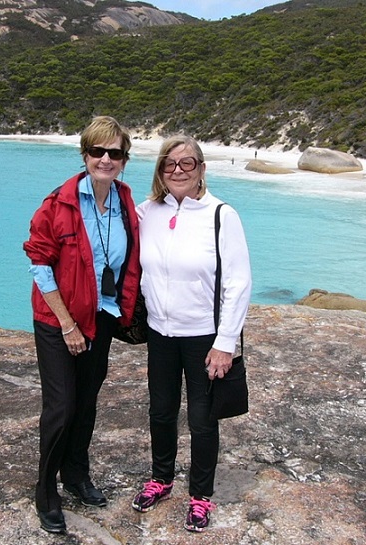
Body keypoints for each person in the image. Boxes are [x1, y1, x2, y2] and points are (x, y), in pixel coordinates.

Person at [23, 116, 141, 534]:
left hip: (102, 316)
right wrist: (68, 325)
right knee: (62, 406)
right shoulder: (58, 203)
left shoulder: (126, 200)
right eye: (97, 151)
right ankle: (46, 490)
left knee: (87, 401)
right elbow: (39, 263)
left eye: (115, 153)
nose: (105, 159)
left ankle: (75, 475)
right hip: (59, 321)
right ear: (84, 154)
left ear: (124, 159)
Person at [132, 135, 251, 532]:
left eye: (188, 163)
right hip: (160, 333)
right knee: (161, 412)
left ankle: (201, 496)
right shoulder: (146, 212)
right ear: (160, 172)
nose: (178, 170)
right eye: (170, 164)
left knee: (202, 420)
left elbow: (238, 282)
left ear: (201, 169)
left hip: (204, 336)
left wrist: (226, 343)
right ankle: (161, 479)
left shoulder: (221, 215)